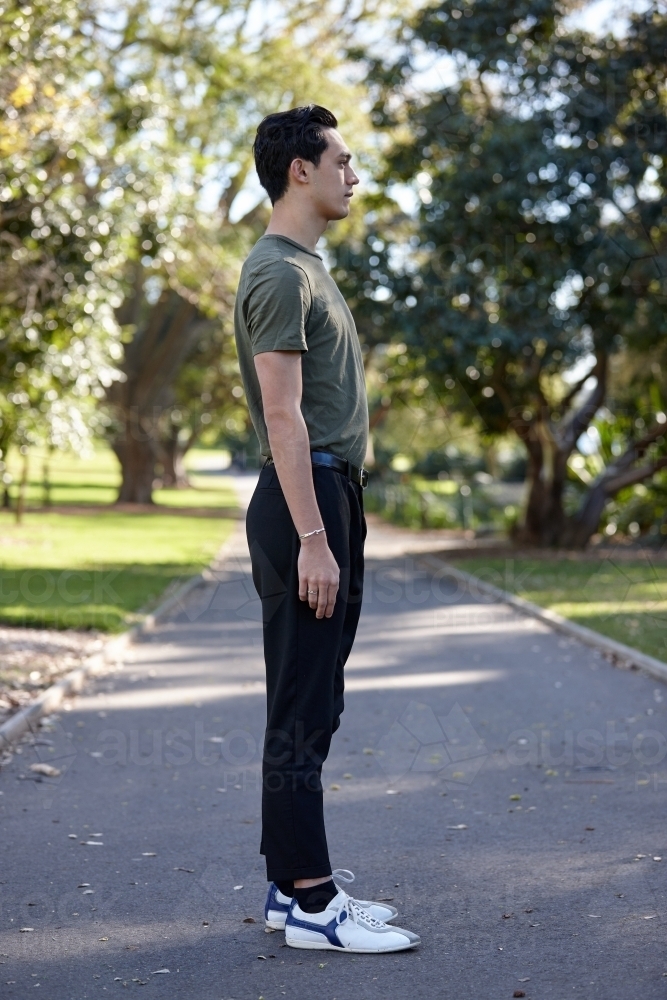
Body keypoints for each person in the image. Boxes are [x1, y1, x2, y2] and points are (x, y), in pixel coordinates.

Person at [234, 104, 420, 953]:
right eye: (342, 160)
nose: (354, 173)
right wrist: (314, 537)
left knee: (316, 701)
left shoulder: (306, 266)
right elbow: (282, 416)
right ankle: (314, 903)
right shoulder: (278, 272)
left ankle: (288, 889)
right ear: (298, 170)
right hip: (305, 499)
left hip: (328, 494)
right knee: (304, 709)